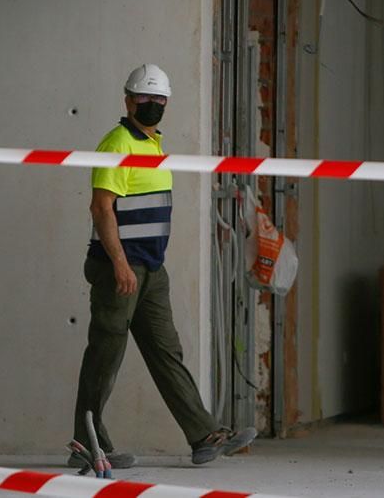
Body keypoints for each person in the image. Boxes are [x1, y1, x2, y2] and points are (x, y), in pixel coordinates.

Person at [71, 64, 257, 469]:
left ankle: (203, 435)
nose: (152, 105)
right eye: (144, 98)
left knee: (166, 352)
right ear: (128, 100)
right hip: (120, 268)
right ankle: (87, 443)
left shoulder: (153, 144)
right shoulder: (116, 143)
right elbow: (102, 208)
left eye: (159, 100)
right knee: (105, 354)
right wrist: (120, 264)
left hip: (152, 269)